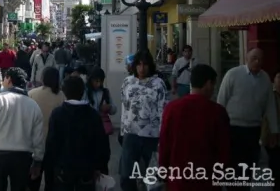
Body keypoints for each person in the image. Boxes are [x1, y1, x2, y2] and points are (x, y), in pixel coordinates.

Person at [159, 64, 230, 191]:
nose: (214, 89)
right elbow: (223, 150)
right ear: (208, 83)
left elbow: (165, 144)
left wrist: (163, 173)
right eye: (213, 84)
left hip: (178, 180)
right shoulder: (218, 112)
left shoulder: (172, 109)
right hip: (206, 180)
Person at [217, 48, 278, 189]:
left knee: (249, 165)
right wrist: (219, 127)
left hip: (253, 129)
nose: (257, 62)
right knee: (233, 165)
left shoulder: (265, 79)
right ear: (246, 59)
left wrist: (274, 130)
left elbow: (270, 107)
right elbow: (221, 101)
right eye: (254, 58)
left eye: (260, 59)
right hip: (233, 128)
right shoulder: (233, 74)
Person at [44, 76, 110, 190]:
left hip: (63, 170)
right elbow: (102, 144)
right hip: (87, 170)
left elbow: (51, 144)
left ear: (63, 91)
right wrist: (101, 167)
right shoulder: (93, 114)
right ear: (83, 91)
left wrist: (50, 172)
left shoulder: (57, 114)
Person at [120, 51, 167, 191]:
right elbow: (124, 106)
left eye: (145, 64)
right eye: (139, 64)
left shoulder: (158, 84)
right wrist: (122, 131)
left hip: (151, 136)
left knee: (152, 177)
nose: (142, 68)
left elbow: (163, 110)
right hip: (130, 134)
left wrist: (162, 137)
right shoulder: (127, 82)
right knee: (126, 174)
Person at [28, 66, 65, 191]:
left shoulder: (32, 93)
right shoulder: (62, 96)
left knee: (33, 181)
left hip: (34, 143)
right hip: (54, 145)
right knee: (51, 182)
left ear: (43, 78)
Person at [262, 69, 280, 191]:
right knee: (275, 167)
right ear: (274, 80)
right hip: (273, 138)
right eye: (279, 77)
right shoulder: (270, 97)